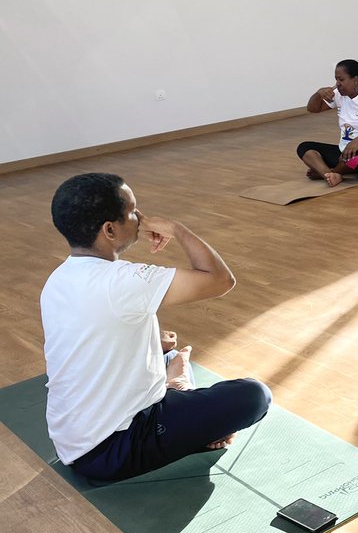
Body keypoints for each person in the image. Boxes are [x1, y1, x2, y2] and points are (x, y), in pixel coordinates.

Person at [42, 173, 271, 482]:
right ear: (109, 230)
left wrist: (156, 348)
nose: (141, 218)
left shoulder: (59, 278)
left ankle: (173, 380)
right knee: (254, 396)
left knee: (168, 351)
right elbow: (221, 280)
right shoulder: (124, 280)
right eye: (133, 212)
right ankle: (179, 392)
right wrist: (177, 229)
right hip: (112, 449)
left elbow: (90, 343)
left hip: (71, 437)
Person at [297, 59, 358, 187]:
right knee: (305, 147)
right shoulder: (339, 95)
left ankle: (330, 173)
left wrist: (357, 141)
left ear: (355, 80)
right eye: (336, 80)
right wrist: (318, 94)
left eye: (341, 80)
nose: (337, 84)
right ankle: (330, 175)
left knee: (357, 157)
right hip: (344, 152)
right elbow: (313, 109)